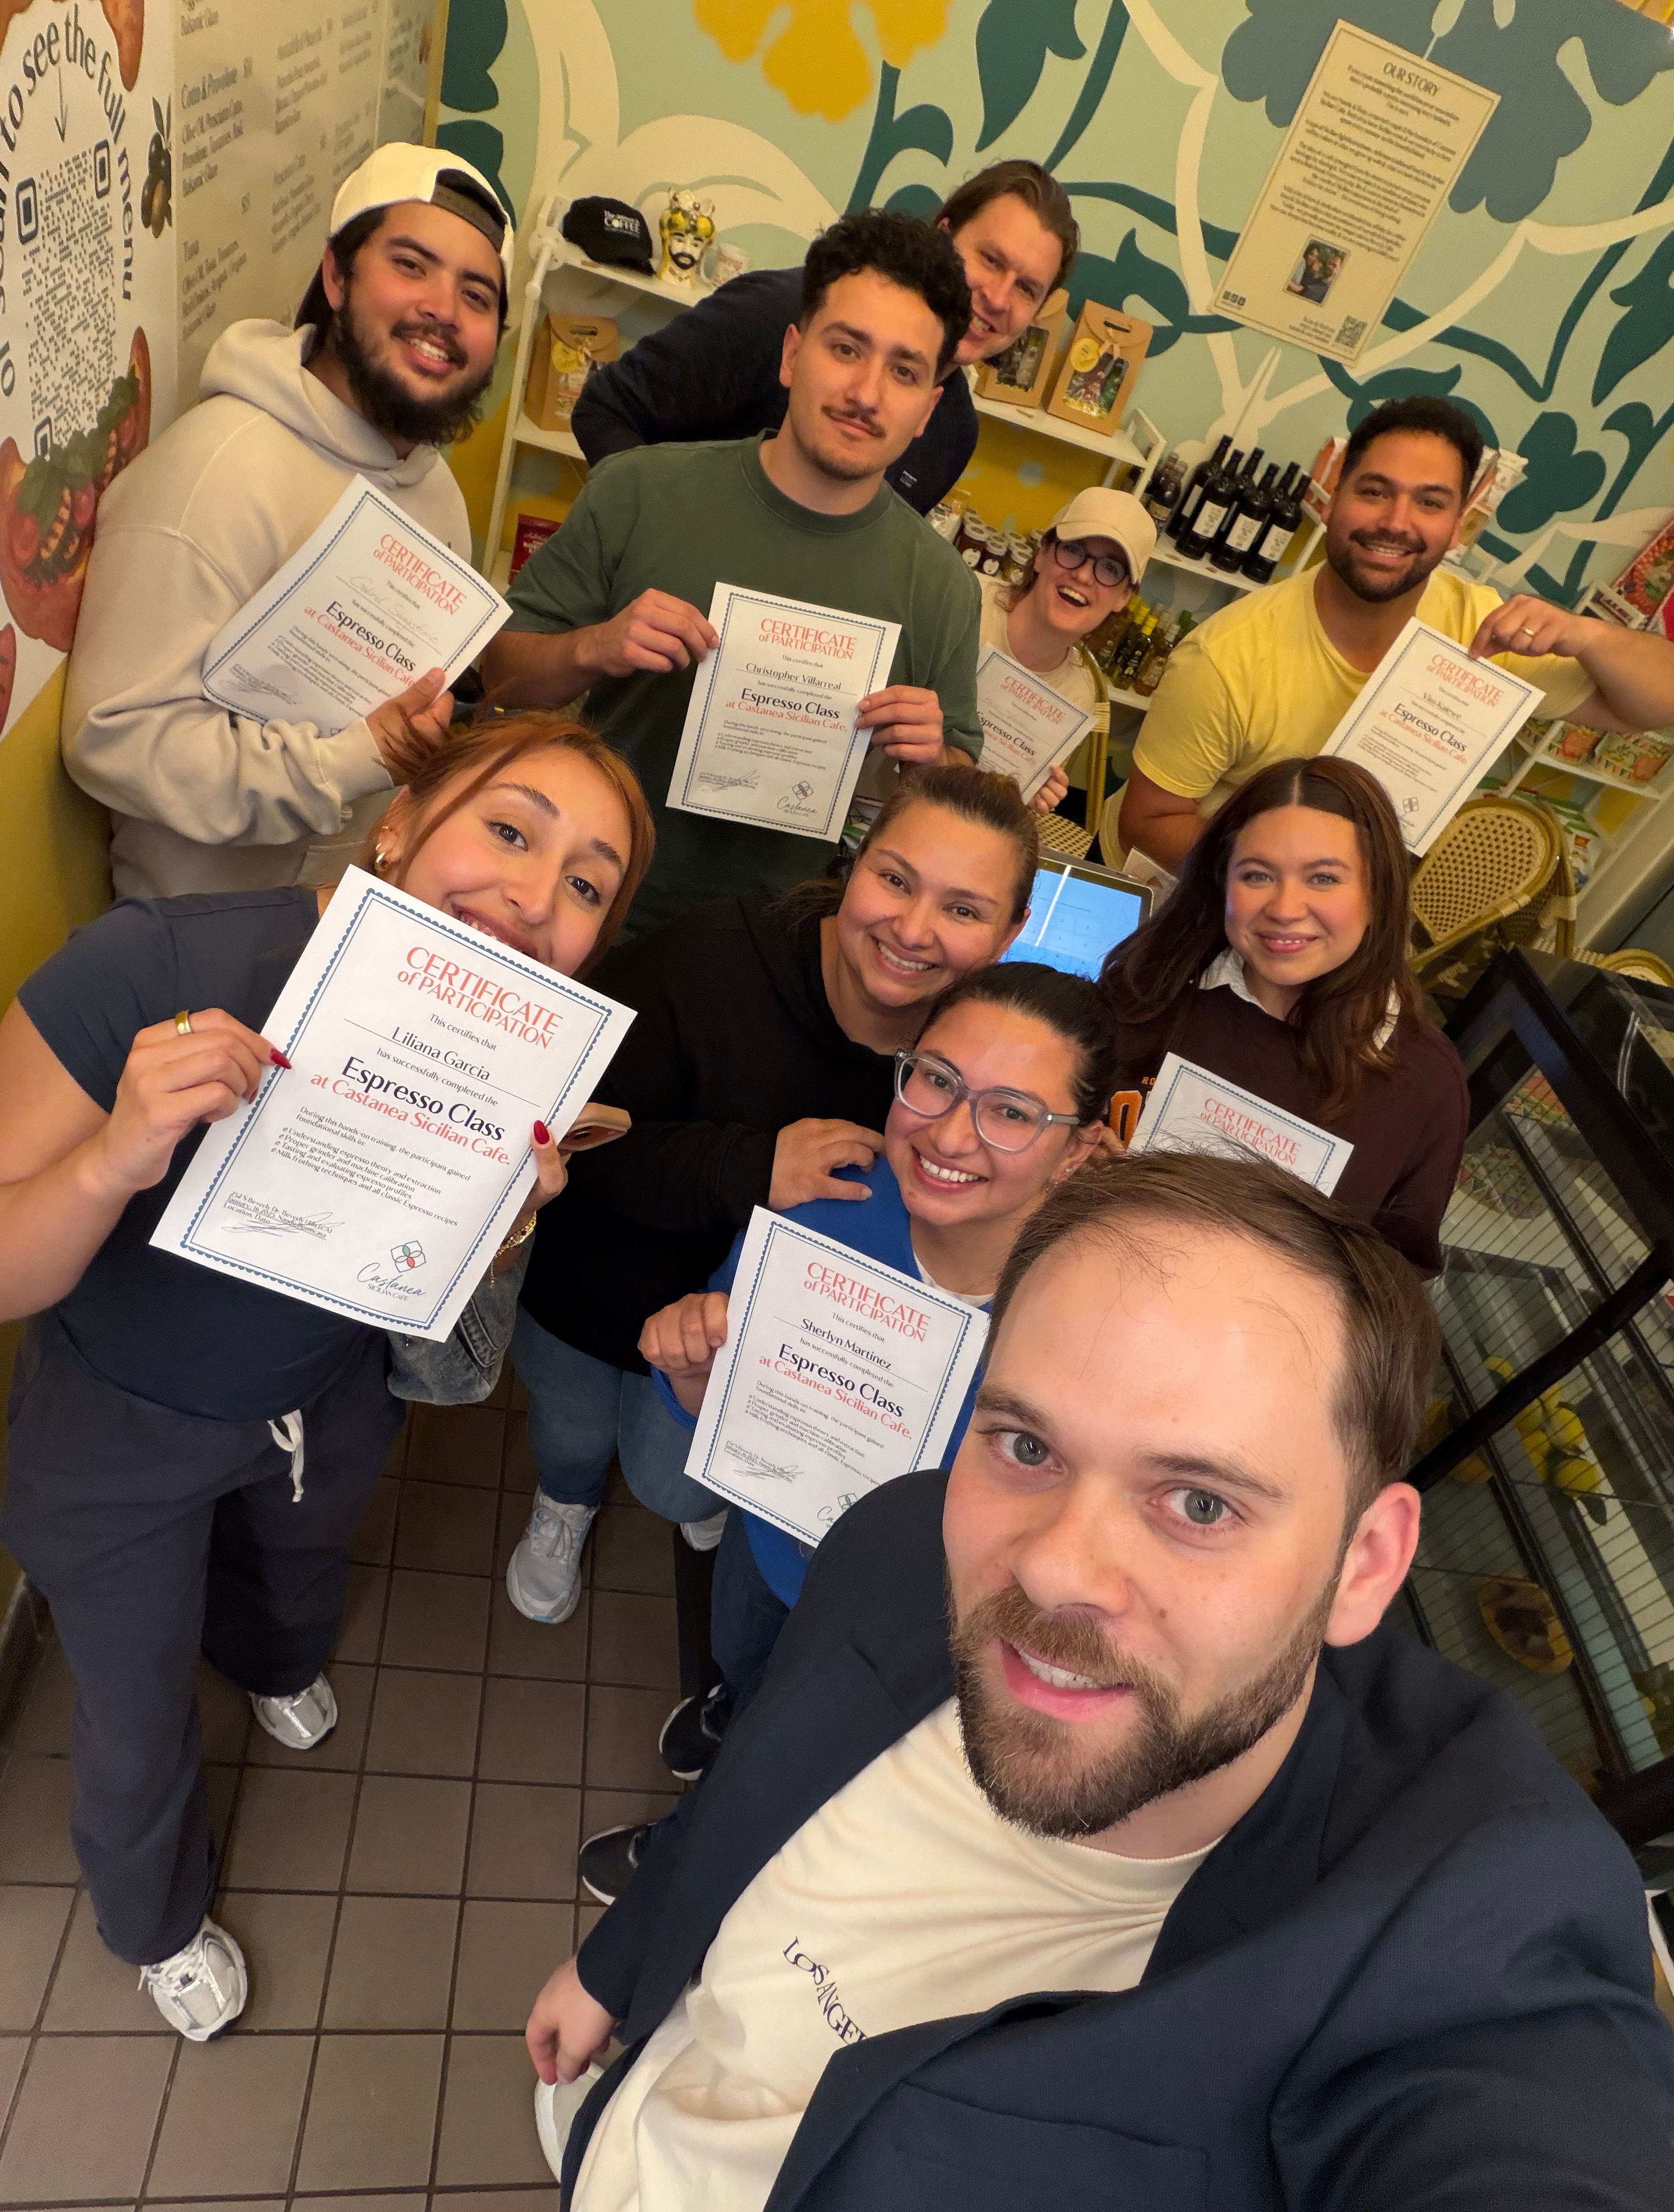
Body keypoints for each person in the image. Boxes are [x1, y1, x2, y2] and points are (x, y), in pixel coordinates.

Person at [525, 1155, 1674, 2209]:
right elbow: (749, 1787)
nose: (1055, 1564)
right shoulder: (898, 1545)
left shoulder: (1443, 1937)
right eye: (1025, 1445)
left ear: (1362, 1564)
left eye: (1199, 1503)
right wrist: (616, 1963)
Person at [0, 716, 653, 2039]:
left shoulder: (520, 1068)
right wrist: (115, 1156)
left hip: (322, 1394)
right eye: (510, 829)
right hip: (116, 1422)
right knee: (130, 1714)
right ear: (402, 822)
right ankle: (154, 1918)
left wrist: (501, 1228)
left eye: (587, 883)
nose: (536, 898)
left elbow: (439, 1339)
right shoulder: (156, 963)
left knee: (298, 1571)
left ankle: (272, 1656)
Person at [576, 961, 1119, 1901]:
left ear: (1080, 1150)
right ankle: (732, 1705)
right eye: (937, 1079)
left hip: (903, 1629)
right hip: (770, 1549)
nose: (951, 1133)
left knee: (794, 1762)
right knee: (743, 1656)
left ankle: (692, 1855)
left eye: (1013, 1113)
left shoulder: (1087, 1331)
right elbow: (725, 1405)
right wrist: (695, 1381)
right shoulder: (830, 1203)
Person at [503, 765, 1037, 1628]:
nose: (912, 929)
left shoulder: (974, 1053)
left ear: (1012, 931)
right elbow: (565, 1138)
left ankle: (723, 1489)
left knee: (672, 1483)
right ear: (853, 864)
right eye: (894, 879)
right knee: (568, 1432)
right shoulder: (708, 958)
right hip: (591, 1289)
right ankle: (564, 1503)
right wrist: (752, 1166)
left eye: (963, 909)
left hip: (754, 1339)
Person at [477, 210, 986, 939]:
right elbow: (500, 674)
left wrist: (934, 761)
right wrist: (593, 648)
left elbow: (951, 804)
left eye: (904, 371)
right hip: (579, 921)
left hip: (772, 955)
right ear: (791, 355)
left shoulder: (942, 588)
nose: (867, 393)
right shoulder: (638, 490)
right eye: (846, 348)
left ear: (928, 410)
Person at [62, 143, 512, 900]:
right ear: (336, 278)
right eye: (410, 265)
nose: (443, 308)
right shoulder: (219, 467)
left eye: (477, 296)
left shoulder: (439, 497)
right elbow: (113, 739)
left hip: (334, 935)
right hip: (189, 954)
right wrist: (348, 761)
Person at [1121, 394, 1674, 870]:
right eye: (1375, 491)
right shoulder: (1226, 657)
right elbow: (1145, 824)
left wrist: (1588, 636)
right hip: (1199, 891)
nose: (1396, 522)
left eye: (1430, 502)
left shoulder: (1480, 630)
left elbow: (1653, 705)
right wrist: (1276, 880)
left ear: (1459, 523)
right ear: (1334, 495)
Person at [1102, 755, 1466, 1276]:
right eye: (1257, 875)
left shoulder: (1424, 1085)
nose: (1286, 907)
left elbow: (1396, 1278)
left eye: (1323, 878)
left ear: (1378, 891)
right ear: (1221, 880)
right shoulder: (1148, 990)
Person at [571, 162, 1080, 516]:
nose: (997, 297)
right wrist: (660, 538)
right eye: (990, 260)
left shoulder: (953, 429)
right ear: (944, 234)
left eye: (1027, 289)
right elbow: (605, 409)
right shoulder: (771, 314)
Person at [981, 486, 1156, 816]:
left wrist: (1026, 801)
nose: (1083, 575)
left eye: (1110, 569)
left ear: (1124, 598)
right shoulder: (964, 601)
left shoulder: (1078, 695)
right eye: (1074, 550)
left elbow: (993, 812)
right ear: (1043, 554)